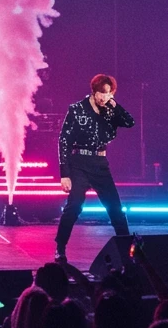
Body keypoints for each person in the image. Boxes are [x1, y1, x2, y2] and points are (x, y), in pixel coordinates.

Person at [54, 73, 134, 264]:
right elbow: (64, 141)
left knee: (115, 207)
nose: (105, 97)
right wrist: (64, 173)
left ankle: (127, 251)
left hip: (100, 164)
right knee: (74, 206)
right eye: (102, 93)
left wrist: (115, 105)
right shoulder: (76, 109)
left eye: (109, 94)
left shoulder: (110, 111)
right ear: (94, 91)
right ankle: (60, 248)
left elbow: (129, 122)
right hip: (79, 163)